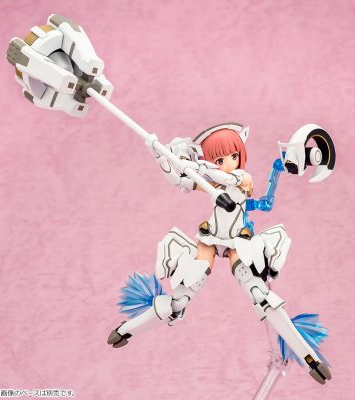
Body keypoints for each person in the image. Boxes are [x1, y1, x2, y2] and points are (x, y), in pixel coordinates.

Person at [107, 122, 331, 385]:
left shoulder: (242, 178)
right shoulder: (210, 181)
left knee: (259, 294)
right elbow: (179, 181)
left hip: (237, 241)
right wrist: (160, 156)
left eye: (233, 156)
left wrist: (198, 166)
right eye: (220, 159)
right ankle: (126, 330)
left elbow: (229, 179)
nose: (228, 163)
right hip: (210, 239)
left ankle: (308, 358)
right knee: (180, 298)